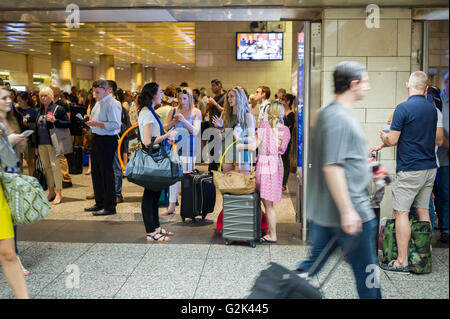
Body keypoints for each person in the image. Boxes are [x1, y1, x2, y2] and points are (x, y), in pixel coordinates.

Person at [296, 61, 381, 299]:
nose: (368, 86)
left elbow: (340, 157)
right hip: (350, 212)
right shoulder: (339, 118)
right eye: (365, 81)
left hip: (328, 212)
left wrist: (367, 166)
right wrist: (347, 211)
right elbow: (332, 167)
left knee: (311, 266)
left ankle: (282, 292)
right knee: (369, 275)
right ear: (353, 84)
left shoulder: (327, 113)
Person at [370, 71, 439, 273]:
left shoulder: (403, 108)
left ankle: (402, 261)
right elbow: (413, 136)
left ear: (407, 85)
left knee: (401, 212)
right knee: (423, 211)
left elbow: (392, 139)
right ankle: (422, 257)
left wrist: (382, 135)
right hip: (429, 169)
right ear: (426, 88)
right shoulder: (432, 109)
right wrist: (380, 146)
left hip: (410, 170)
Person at [238, 101, 290, 243]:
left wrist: (240, 144)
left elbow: (253, 146)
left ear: (268, 112)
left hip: (263, 165)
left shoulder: (264, 126)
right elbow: (282, 150)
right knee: (269, 204)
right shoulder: (285, 130)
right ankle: (267, 231)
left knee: (261, 201)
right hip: (275, 165)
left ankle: (269, 234)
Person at [0, 87, 30, 299]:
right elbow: (9, 159)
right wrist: (10, 143)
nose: (8, 101)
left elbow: (11, 160)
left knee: (9, 254)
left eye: (8, 97)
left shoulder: (6, 123)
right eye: (3, 98)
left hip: (3, 190)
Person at [138, 82, 175, 241]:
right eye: (160, 92)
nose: (162, 94)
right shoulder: (146, 113)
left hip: (155, 156)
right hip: (152, 156)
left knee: (154, 193)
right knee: (150, 194)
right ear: (153, 94)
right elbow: (148, 141)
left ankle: (156, 227)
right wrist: (167, 136)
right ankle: (150, 232)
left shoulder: (150, 110)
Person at [84, 80, 121, 216]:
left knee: (106, 174)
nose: (94, 95)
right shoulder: (98, 103)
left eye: (97, 92)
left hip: (107, 140)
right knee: (96, 173)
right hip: (97, 138)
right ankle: (99, 202)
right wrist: (89, 122)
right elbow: (97, 122)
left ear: (107, 90)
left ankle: (110, 206)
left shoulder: (113, 104)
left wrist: (97, 123)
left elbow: (115, 125)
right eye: (94, 92)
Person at [162, 87, 202, 216]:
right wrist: (174, 121)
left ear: (190, 98)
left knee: (187, 178)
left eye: (184, 98)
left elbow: (195, 131)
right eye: (179, 98)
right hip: (175, 148)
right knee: (174, 178)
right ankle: (171, 206)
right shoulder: (173, 110)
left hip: (189, 149)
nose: (182, 101)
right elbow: (165, 128)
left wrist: (184, 120)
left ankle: (188, 207)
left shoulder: (196, 112)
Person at [35, 87, 71, 205]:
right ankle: (50, 192)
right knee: (47, 168)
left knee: (55, 167)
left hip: (53, 143)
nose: (43, 98)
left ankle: (59, 192)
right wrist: (35, 145)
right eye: (41, 96)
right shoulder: (39, 110)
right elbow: (36, 128)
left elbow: (67, 123)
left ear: (51, 96)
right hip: (41, 143)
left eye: (45, 95)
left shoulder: (58, 109)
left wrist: (55, 120)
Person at [212, 86, 256, 173]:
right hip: (227, 152)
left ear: (239, 97)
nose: (229, 99)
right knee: (228, 184)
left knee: (240, 184)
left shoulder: (247, 116)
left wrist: (239, 138)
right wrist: (221, 128)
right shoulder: (226, 114)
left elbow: (252, 139)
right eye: (228, 97)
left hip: (242, 154)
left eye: (232, 96)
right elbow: (224, 137)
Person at [50, 85, 72, 189]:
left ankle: (66, 178)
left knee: (61, 155)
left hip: (60, 132)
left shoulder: (63, 104)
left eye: (52, 89)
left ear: (58, 92)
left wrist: (56, 120)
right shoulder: (49, 104)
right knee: (54, 156)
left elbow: (68, 119)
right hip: (50, 132)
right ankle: (57, 177)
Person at [436, 73, 449, 244]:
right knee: (445, 194)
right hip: (443, 158)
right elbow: (436, 133)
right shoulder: (437, 103)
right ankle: (446, 228)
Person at [207, 79, 226, 172]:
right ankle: (212, 172)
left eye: (213, 86)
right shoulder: (214, 97)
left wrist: (215, 103)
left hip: (220, 128)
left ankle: (220, 172)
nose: (212, 88)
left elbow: (224, 111)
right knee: (212, 152)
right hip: (211, 128)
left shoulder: (225, 97)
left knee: (219, 152)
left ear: (219, 85)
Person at [17, 91, 37, 176]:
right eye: (17, 101)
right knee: (18, 160)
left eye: (20, 101)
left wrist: (27, 124)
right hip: (18, 137)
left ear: (26, 100)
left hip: (28, 138)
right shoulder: (17, 110)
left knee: (29, 160)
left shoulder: (32, 111)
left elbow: (36, 125)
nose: (19, 103)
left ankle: (31, 178)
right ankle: (20, 178)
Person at [281, 93, 296, 191]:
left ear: (288, 102)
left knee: (285, 161)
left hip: (285, 141)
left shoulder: (291, 114)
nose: (280, 101)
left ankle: (283, 183)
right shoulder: (281, 113)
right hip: (278, 139)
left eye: (283, 99)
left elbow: (286, 128)